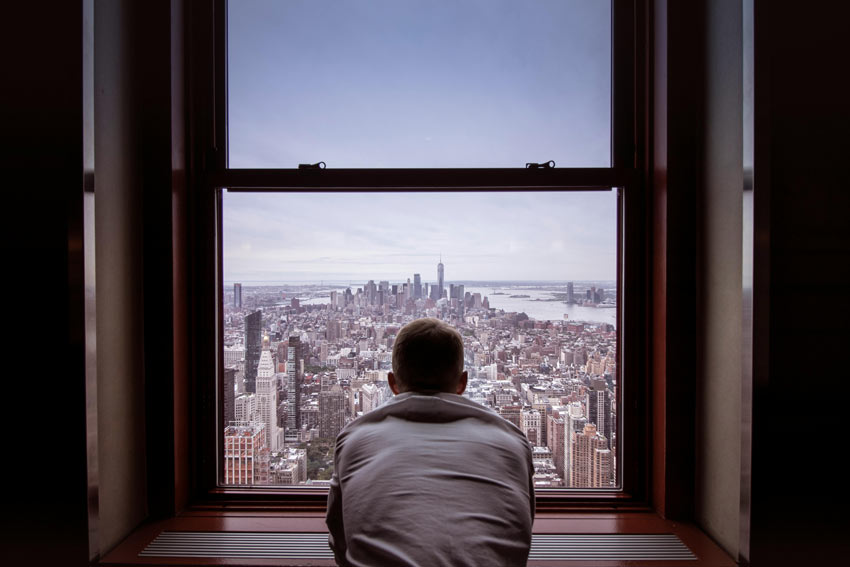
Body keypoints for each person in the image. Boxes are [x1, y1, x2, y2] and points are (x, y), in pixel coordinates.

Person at [326, 318, 535, 567]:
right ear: (462, 383)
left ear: (393, 383)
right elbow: (522, 528)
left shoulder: (355, 439)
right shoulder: (511, 442)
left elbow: (339, 537)